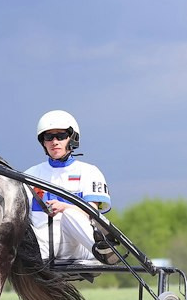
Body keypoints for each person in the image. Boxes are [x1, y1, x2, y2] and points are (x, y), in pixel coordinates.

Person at [25, 110, 118, 264]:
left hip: (78, 245)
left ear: (72, 139)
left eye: (61, 136)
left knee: (69, 214)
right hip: (41, 247)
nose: (55, 142)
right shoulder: (29, 175)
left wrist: (64, 207)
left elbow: (93, 212)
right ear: (43, 142)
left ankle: (104, 251)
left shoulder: (89, 171)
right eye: (49, 137)